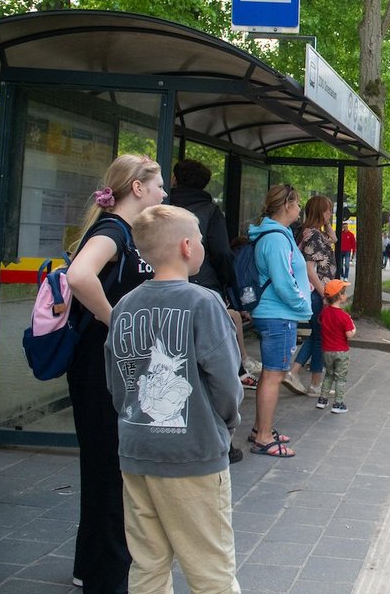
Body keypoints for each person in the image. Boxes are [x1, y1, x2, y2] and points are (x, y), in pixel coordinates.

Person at [105, 205, 243, 594]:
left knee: (147, 564)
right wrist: (227, 425)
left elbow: (116, 382)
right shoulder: (205, 302)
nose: (201, 245)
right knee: (210, 567)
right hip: (193, 454)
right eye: (199, 239)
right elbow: (226, 384)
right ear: (187, 246)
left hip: (136, 450)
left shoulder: (123, 307)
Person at [65, 153, 167, 593]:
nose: (164, 192)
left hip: (102, 365)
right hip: (99, 366)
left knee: (104, 467)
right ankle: (105, 577)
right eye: (158, 183)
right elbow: (79, 276)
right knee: (111, 470)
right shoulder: (113, 230)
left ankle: (91, 566)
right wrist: (118, 321)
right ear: (138, 188)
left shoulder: (123, 232)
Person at [170, 159, 261, 401]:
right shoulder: (210, 212)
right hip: (204, 285)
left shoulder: (163, 206)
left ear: (176, 179)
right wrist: (226, 284)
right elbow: (221, 252)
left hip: (167, 283)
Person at [248, 184, 312, 457]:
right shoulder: (275, 238)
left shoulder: (278, 234)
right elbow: (284, 281)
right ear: (287, 204)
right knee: (274, 375)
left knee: (269, 374)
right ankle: (263, 437)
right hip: (278, 315)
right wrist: (302, 305)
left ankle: (260, 428)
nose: (300, 209)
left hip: (275, 314)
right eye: (297, 204)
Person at [285, 195, 337, 396]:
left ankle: (295, 372)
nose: (330, 214)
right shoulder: (313, 235)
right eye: (327, 210)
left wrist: (328, 223)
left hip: (318, 292)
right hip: (318, 292)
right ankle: (314, 384)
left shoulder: (311, 232)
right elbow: (309, 268)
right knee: (320, 337)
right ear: (318, 212)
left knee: (317, 334)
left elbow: (334, 239)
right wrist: (325, 293)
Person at [314, 279, 356, 414]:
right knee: (340, 378)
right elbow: (349, 334)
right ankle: (338, 403)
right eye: (344, 293)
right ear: (339, 296)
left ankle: (322, 400)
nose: (346, 295)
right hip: (341, 352)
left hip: (327, 351)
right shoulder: (344, 316)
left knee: (328, 375)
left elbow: (320, 322)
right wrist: (353, 327)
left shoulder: (325, 312)